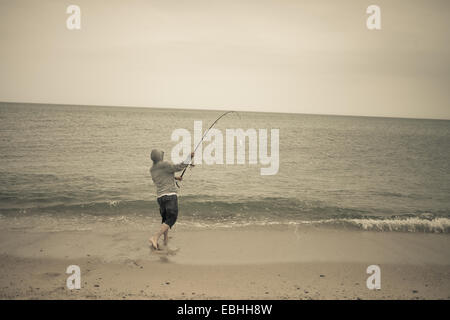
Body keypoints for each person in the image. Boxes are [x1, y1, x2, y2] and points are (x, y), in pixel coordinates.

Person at [149, 149, 194, 250]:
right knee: (172, 218)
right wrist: (189, 158)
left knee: (165, 219)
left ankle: (165, 239)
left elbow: (162, 176)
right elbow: (178, 167)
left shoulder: (152, 169)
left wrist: (175, 178)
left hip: (160, 197)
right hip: (170, 195)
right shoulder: (164, 164)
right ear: (160, 156)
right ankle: (155, 237)